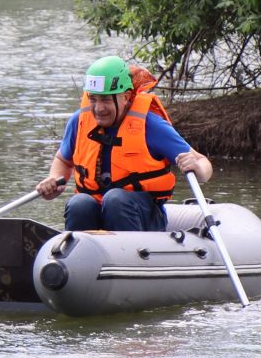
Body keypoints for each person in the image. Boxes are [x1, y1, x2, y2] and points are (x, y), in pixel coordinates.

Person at [34, 56, 214, 231]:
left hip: (143, 217)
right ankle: (77, 255)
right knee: (79, 203)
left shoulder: (150, 126)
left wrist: (197, 168)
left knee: (115, 199)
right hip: (97, 211)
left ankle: (129, 257)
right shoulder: (79, 121)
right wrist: (54, 180)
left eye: (105, 100)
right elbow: (63, 160)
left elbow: (203, 163)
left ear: (126, 96)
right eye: (93, 99)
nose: (98, 108)